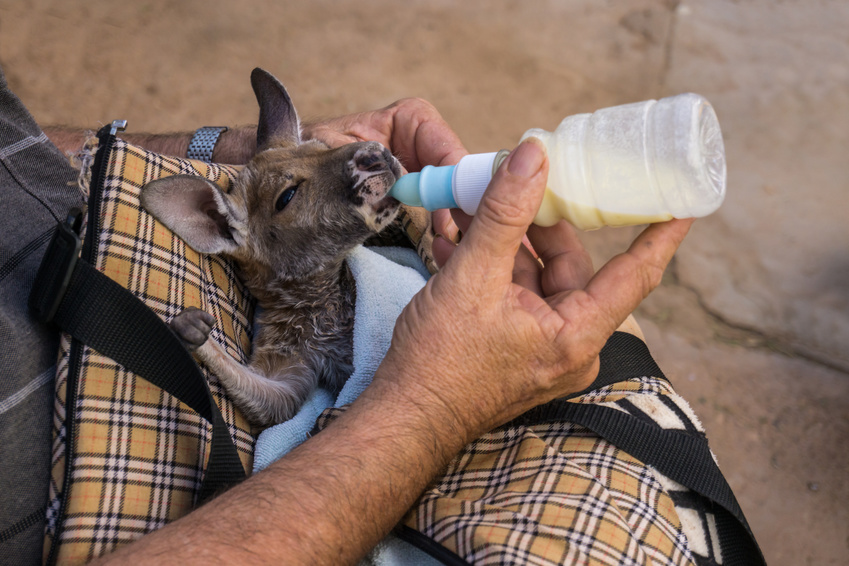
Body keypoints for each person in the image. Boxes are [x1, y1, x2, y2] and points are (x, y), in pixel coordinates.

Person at [1, 65, 692, 565]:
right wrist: (213, 355)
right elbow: (278, 401)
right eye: (292, 195)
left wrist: (231, 148)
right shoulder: (270, 298)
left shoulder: (354, 255)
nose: (355, 168)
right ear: (226, 229)